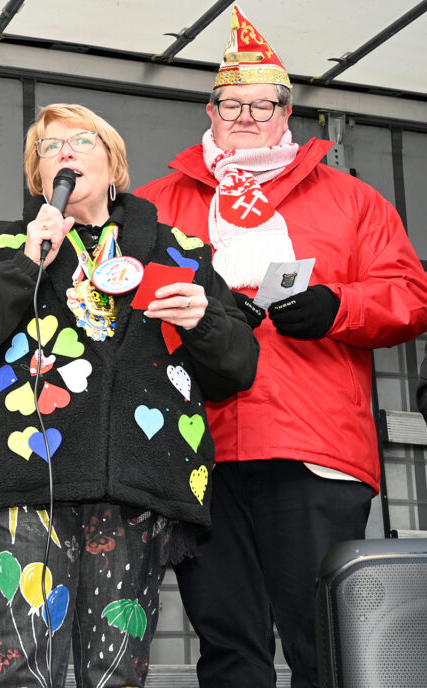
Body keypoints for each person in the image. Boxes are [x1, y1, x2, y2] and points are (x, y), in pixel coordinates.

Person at [135, 6, 427, 687]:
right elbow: (118, 310)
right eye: (228, 103)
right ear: (208, 111)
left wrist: (339, 306)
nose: (243, 116)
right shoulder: (153, 204)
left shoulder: (352, 200)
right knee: (228, 646)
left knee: (326, 642)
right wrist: (199, 315)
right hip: (193, 443)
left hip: (313, 444)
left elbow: (412, 296)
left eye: (260, 103)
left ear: (286, 111)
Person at [0, 103, 259, 688]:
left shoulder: (179, 252)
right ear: (37, 176)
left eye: (83, 141)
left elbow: (239, 367)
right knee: (21, 659)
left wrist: (205, 320)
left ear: (114, 164)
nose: (66, 153)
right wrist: (27, 263)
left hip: (138, 484)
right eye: (49, 148)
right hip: (24, 480)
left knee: (116, 670)